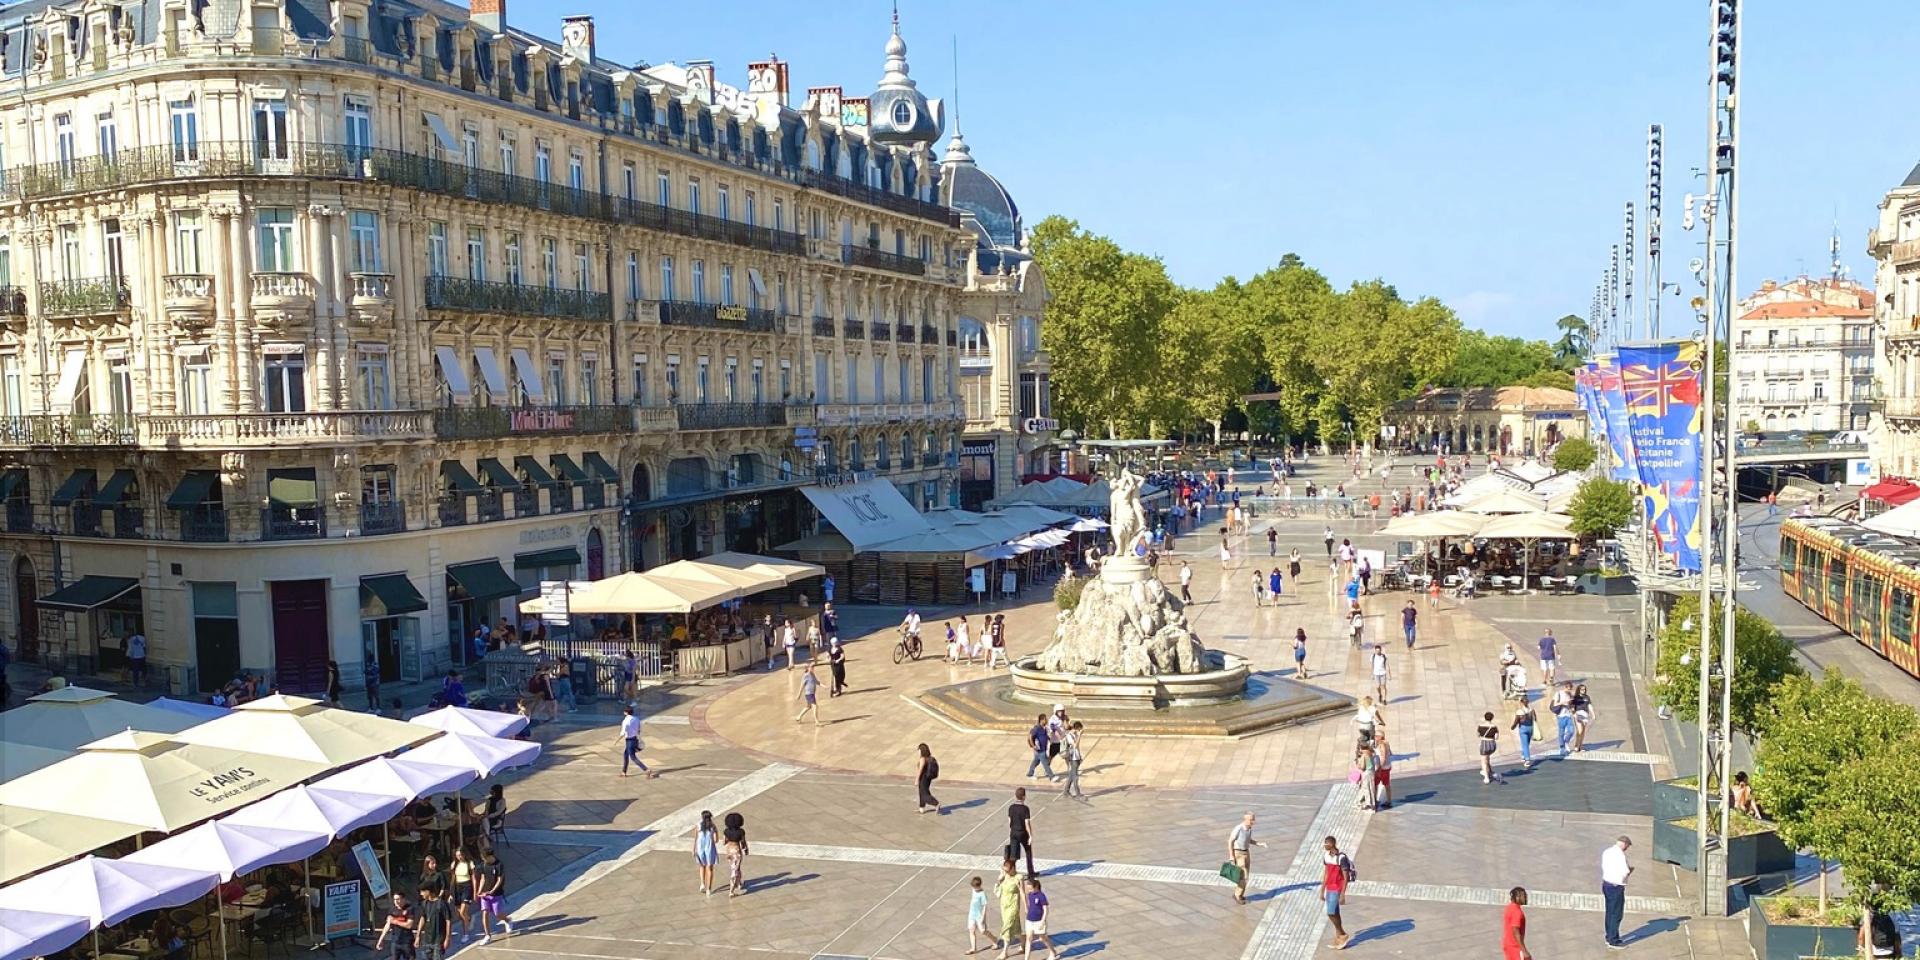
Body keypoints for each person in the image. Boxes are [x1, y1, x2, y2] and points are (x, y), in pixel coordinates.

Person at [1600, 835, 1633, 949]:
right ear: (1625, 844)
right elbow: (1625, 871)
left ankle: (1609, 936)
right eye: (1627, 846)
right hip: (1616, 886)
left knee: (1609, 912)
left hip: (1606, 884)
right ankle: (1613, 940)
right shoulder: (1620, 855)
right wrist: (1629, 871)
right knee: (1616, 914)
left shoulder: (1607, 851)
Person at [474, 847, 511, 942]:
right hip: (485, 894)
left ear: (490, 856)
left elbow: (499, 879)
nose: (483, 859)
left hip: (496, 894)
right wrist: (479, 890)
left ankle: (507, 920)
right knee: (484, 912)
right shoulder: (484, 865)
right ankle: (487, 935)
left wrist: (492, 891)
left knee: (497, 914)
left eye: (484, 857)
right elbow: (483, 878)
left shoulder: (499, 865)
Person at [1322, 836, 1352, 950]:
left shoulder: (1341, 858)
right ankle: (1339, 936)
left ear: (1332, 844)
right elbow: (1326, 873)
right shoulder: (1326, 856)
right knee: (1334, 911)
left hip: (1337, 888)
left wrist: (1343, 893)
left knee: (1330, 912)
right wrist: (1322, 889)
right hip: (1329, 887)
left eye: (1327, 844)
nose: (1325, 846)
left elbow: (1346, 877)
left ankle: (1342, 934)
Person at [1022, 877, 1059, 960]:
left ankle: (1053, 951)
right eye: (1028, 889)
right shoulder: (1030, 894)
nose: (1029, 890)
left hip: (1039, 921)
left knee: (1043, 938)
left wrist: (1043, 921)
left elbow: (1046, 909)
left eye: (1030, 889)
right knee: (1028, 938)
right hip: (1029, 920)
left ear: (1036, 887)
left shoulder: (1041, 896)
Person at [994, 860, 1024, 960]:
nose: (1006, 872)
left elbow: (1022, 893)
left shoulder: (1018, 877)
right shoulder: (1004, 876)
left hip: (1013, 906)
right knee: (1016, 928)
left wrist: (1027, 906)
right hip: (1004, 906)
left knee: (1007, 927)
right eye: (1005, 870)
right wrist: (999, 880)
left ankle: (1005, 952)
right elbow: (997, 890)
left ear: (1013, 868)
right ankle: (1023, 943)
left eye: (1008, 870)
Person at [618, 704, 657, 779]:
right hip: (635, 738)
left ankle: (646, 769)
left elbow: (623, 732)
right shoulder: (636, 719)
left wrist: (618, 739)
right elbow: (639, 729)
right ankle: (624, 771)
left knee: (633, 757)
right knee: (626, 754)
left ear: (626, 712)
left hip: (629, 740)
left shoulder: (625, 721)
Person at [375, 893, 417, 960]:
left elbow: (409, 925)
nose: (396, 901)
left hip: (407, 942)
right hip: (395, 942)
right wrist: (381, 939)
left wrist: (395, 921)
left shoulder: (409, 909)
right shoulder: (392, 909)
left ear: (403, 899)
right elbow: (387, 925)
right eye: (394, 899)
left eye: (398, 899)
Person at [1006, 787, 1035, 877]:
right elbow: (1027, 823)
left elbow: (1009, 821)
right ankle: (1031, 873)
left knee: (1013, 855)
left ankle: (1012, 872)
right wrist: (1030, 835)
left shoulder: (1011, 807)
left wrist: (1012, 829)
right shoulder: (1025, 809)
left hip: (1013, 832)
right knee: (1028, 851)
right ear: (1024, 797)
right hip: (1022, 833)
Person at [448, 846, 475, 939]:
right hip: (457, 887)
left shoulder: (469, 863)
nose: (459, 857)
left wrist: (475, 892)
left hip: (467, 886)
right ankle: (469, 919)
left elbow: (473, 878)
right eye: (457, 855)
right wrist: (451, 892)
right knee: (459, 913)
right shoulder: (454, 864)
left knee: (463, 911)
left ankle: (466, 933)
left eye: (460, 855)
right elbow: (452, 878)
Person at [966, 875, 996, 956]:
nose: (974, 888)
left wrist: (983, 917)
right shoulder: (973, 890)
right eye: (973, 886)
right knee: (971, 930)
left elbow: (985, 906)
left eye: (975, 887)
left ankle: (994, 940)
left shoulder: (982, 894)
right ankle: (973, 948)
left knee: (983, 931)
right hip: (972, 914)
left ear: (979, 885)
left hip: (979, 915)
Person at [722, 812, 749, 897]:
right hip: (737, 852)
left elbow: (724, 842)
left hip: (729, 851)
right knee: (735, 870)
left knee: (735, 868)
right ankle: (731, 890)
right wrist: (746, 849)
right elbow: (743, 842)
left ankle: (739, 883)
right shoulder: (741, 832)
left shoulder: (726, 831)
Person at [693, 810, 720, 895]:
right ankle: (709, 889)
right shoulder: (713, 827)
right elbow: (716, 840)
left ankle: (702, 884)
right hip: (710, 848)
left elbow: (696, 838)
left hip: (700, 848)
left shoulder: (698, 826)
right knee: (710, 868)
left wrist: (694, 849)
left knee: (702, 866)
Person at [1503, 887, 1532, 960]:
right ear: (1517, 897)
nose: (1526, 898)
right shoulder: (1517, 912)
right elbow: (1515, 931)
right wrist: (1524, 951)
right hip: (1515, 948)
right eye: (1524, 896)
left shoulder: (1509, 907)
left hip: (1508, 945)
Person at [1060, 721, 1086, 800]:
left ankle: (1066, 791)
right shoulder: (1069, 736)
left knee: (1071, 775)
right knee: (1075, 776)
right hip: (1072, 758)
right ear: (1077, 728)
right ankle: (1078, 793)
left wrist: (1080, 756)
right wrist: (1080, 736)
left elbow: (1077, 748)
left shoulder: (1075, 735)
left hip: (1076, 757)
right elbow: (1075, 745)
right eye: (1079, 729)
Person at [1511, 693, 1537, 771]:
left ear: (1521, 702)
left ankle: (1527, 760)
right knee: (1527, 743)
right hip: (1531, 728)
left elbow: (1516, 721)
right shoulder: (1532, 710)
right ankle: (1523, 755)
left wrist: (1513, 727)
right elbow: (1535, 719)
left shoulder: (1519, 711)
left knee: (1524, 744)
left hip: (1523, 728)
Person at [1025, 714, 1055, 780]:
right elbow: (1030, 737)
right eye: (1045, 719)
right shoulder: (1037, 728)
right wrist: (1033, 746)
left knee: (1036, 761)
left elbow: (1045, 736)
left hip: (1043, 748)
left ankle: (1030, 774)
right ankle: (1051, 776)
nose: (1047, 720)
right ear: (1042, 720)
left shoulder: (1044, 728)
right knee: (1045, 763)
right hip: (1039, 749)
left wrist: (1050, 740)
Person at [1477, 710, 1503, 784]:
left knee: (1483, 761)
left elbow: (1478, 735)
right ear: (1492, 718)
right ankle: (1490, 771)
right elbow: (1497, 737)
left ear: (1485, 718)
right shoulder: (1494, 727)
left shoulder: (1480, 726)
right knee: (1487, 758)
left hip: (1484, 744)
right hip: (1492, 745)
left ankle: (1486, 778)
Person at [1552, 682, 1577, 755]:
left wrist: (1574, 713)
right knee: (1561, 732)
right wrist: (1563, 702)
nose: (1569, 690)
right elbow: (1555, 704)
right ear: (1565, 687)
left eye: (1570, 689)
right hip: (1560, 715)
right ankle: (1562, 748)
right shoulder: (1558, 694)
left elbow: (1572, 705)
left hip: (1568, 715)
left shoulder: (1570, 695)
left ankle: (1566, 742)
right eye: (1568, 689)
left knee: (1571, 731)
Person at [916, 742, 941, 814]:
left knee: (924, 794)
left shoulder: (922, 759)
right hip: (928, 778)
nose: (918, 752)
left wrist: (917, 780)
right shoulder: (929, 758)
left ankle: (936, 803)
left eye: (919, 750)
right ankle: (921, 808)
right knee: (923, 792)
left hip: (923, 778)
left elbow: (920, 770)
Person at [1354, 742, 1378, 811]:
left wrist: (1358, 765)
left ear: (1361, 748)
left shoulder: (1364, 755)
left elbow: (1363, 767)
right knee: (1371, 788)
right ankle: (1373, 803)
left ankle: (1369, 804)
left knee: (1367, 788)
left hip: (1367, 773)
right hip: (1371, 772)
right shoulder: (1371, 753)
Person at [1372, 732, 1394, 809]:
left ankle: (1375, 800)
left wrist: (1379, 769)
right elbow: (1391, 753)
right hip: (1387, 767)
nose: (1375, 737)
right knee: (1386, 784)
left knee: (1376, 784)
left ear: (1380, 737)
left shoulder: (1382, 745)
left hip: (1382, 768)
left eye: (1376, 736)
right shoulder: (1386, 743)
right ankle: (1389, 800)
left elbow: (1383, 757)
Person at [1571, 683, 1595, 751]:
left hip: (1585, 714)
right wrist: (1574, 713)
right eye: (1582, 689)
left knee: (1583, 731)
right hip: (1578, 714)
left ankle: (1580, 745)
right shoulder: (1575, 697)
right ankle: (1576, 745)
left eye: (1584, 689)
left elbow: (1589, 705)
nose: (1583, 691)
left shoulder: (1587, 697)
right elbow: (1572, 706)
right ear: (1579, 690)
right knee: (1580, 731)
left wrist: (1593, 714)